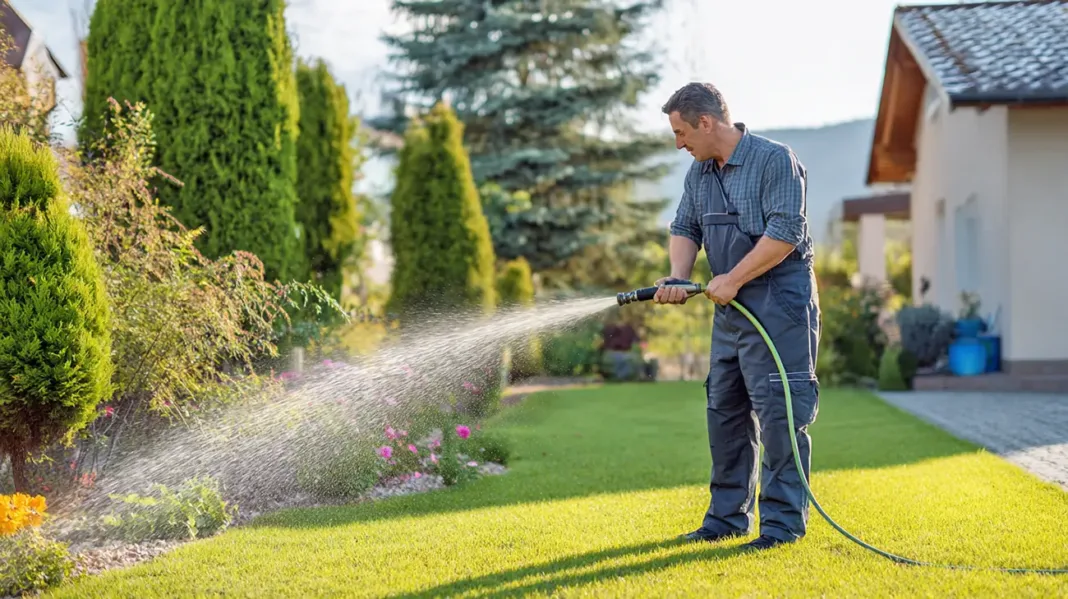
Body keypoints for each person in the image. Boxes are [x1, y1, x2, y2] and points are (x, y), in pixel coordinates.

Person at [654, 82, 821, 551]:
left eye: (681, 131)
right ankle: (725, 519)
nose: (679, 142)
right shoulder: (700, 174)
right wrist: (678, 277)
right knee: (724, 412)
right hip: (730, 311)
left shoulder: (774, 160)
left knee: (780, 414)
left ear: (706, 122)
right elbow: (685, 226)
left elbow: (786, 231)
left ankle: (781, 527)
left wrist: (733, 278)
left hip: (779, 305)